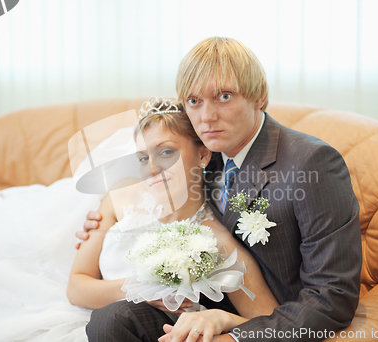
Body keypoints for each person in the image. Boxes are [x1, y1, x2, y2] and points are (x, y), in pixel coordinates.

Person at [81, 37, 362, 342]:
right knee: (110, 321)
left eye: (224, 96)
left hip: (270, 318)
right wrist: (104, 226)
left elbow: (332, 299)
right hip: (198, 302)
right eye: (194, 101)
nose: (206, 117)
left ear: (260, 96)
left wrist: (233, 332)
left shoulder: (312, 163)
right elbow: (157, 181)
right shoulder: (205, 151)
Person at [67, 97, 279, 339]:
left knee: (114, 320)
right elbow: (76, 287)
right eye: (143, 158)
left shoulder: (217, 241)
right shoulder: (120, 197)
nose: (152, 168)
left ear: (203, 155)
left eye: (166, 152)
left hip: (153, 331)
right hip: (94, 321)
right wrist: (140, 289)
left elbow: (271, 322)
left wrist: (222, 319)